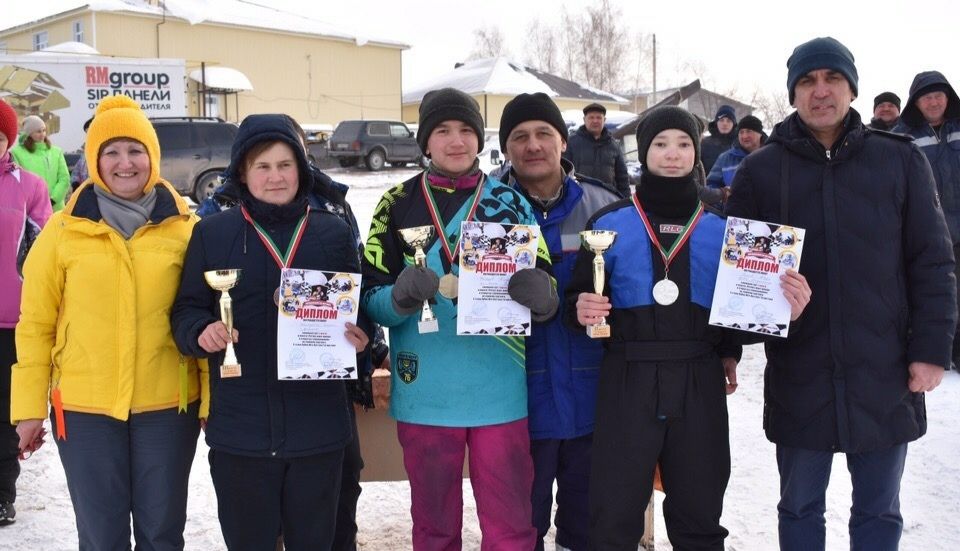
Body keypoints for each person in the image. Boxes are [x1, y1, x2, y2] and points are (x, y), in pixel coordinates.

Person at [725, 37, 955, 551]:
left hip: (884, 370)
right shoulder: (761, 171)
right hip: (801, 371)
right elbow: (739, 277)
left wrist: (931, 351)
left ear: (852, 87)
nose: (820, 91)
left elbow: (933, 262)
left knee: (878, 511)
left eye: (832, 79)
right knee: (800, 507)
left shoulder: (898, 161)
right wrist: (740, 335)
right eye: (807, 81)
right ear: (793, 93)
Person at [569, 105, 810, 550]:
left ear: (695, 152)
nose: (673, 154)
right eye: (660, 144)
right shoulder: (607, 225)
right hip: (628, 378)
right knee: (614, 512)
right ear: (644, 153)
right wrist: (580, 308)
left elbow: (739, 315)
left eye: (683, 144)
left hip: (699, 378)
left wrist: (779, 313)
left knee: (699, 510)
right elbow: (578, 303)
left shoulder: (724, 231)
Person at [361, 87, 557, 550]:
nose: (456, 141)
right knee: (434, 529)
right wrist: (400, 298)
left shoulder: (509, 202)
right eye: (443, 131)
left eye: (466, 130)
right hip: (425, 388)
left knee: (511, 527)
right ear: (425, 141)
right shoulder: (395, 204)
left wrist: (543, 297)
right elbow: (369, 299)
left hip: (499, 391)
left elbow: (546, 285)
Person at [11, 95, 204, 549]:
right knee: (101, 537)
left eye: (135, 150)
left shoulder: (186, 228)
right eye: (111, 152)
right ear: (94, 160)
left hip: (167, 407)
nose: (125, 163)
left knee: (162, 533)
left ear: (152, 157)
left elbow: (202, 316)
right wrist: (27, 410)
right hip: (84, 410)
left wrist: (211, 403)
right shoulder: (61, 232)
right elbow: (36, 324)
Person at [171, 113, 370, 550]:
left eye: (285, 165)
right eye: (262, 166)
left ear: (302, 169)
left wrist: (362, 339)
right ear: (242, 172)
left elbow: (358, 312)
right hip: (242, 432)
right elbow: (185, 310)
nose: (275, 177)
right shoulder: (213, 233)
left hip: (317, 430)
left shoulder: (332, 233)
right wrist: (201, 331)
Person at [496, 92, 620, 551]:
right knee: (520, 529)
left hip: (593, 402)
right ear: (506, 148)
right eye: (520, 136)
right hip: (515, 403)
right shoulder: (486, 212)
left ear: (563, 142)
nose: (533, 145)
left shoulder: (605, 206)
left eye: (543, 134)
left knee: (587, 528)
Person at [0, 98, 51, 527]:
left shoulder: (29, 186)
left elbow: (42, 252)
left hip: (10, 320)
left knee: (4, 412)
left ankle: (2, 492)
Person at [893, 71, 960, 370]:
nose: (933, 102)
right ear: (915, 102)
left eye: (938, 95)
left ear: (948, 98)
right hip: (927, 231)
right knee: (932, 292)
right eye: (926, 96)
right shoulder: (901, 136)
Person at [563, 102, 630, 197]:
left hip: (607, 200)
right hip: (579, 199)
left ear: (604, 120)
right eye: (591, 117)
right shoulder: (571, 143)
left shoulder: (613, 145)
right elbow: (562, 173)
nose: (595, 121)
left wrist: (626, 201)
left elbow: (622, 177)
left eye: (599, 118)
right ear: (584, 120)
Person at [11, 115, 70, 211]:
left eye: (44, 130)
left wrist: (52, 200)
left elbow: (64, 178)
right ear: (29, 134)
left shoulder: (56, 151)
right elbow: (17, 182)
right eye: (38, 131)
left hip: (56, 208)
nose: (42, 134)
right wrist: (35, 203)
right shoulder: (17, 153)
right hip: (32, 209)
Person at [705, 115, 766, 200]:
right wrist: (722, 195)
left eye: (749, 131)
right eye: (741, 132)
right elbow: (711, 185)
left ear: (760, 134)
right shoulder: (725, 158)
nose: (744, 136)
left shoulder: (771, 155)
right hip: (734, 211)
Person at [700, 104, 737, 173]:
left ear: (733, 124)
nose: (725, 123)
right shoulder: (704, 143)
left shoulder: (739, 144)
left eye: (728, 121)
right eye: (721, 120)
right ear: (716, 122)